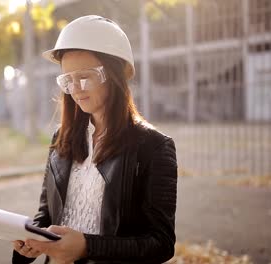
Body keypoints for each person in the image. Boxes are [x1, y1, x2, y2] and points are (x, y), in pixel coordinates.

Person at [12, 15, 178, 264]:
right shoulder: (61, 139)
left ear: (116, 74)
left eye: (85, 76)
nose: (76, 88)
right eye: (68, 79)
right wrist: (32, 240)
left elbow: (161, 244)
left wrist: (88, 247)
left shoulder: (154, 147)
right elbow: (46, 214)